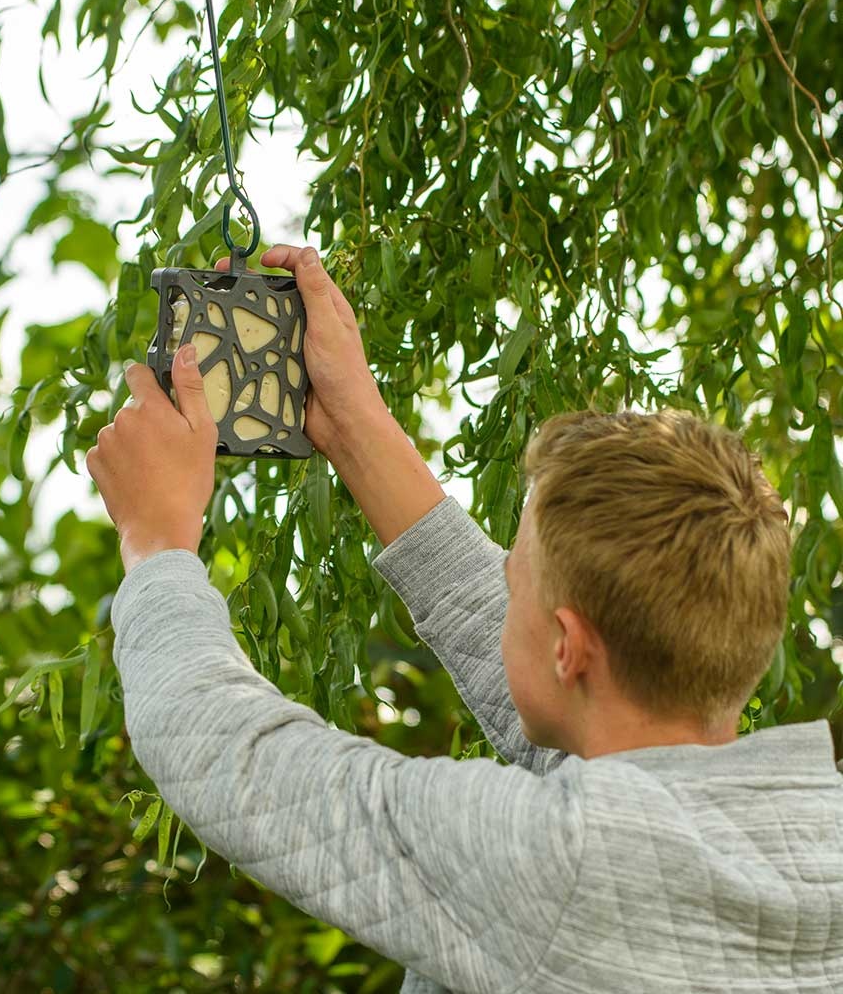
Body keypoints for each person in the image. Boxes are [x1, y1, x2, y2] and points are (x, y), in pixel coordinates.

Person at [86, 245, 843, 994]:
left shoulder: (561, 864)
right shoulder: (816, 832)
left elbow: (227, 754)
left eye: (514, 583)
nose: (500, 596)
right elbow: (568, 709)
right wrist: (355, 426)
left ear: (570, 649)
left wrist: (155, 541)